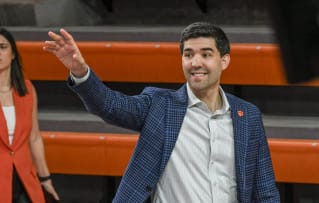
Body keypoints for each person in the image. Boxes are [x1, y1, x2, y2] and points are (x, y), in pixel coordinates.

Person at [43, 22, 280, 202]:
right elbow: (109, 105)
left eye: (206, 54)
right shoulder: (159, 104)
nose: (195, 62)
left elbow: (266, 190)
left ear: (224, 61)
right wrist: (81, 71)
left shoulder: (247, 116)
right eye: (188, 55)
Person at [0, 28, 60, 203]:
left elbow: (34, 138)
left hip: (24, 177)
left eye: (2, 47)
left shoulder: (27, 90)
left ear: (12, 54)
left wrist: (45, 178)